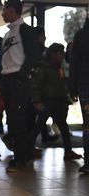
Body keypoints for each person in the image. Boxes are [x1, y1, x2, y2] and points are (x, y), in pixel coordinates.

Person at [0, 0, 41, 172]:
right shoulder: (9, 33)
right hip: (7, 79)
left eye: (4, 10)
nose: (2, 14)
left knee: (17, 120)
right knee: (12, 119)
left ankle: (20, 158)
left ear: (11, 10)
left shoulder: (25, 30)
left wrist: (22, 75)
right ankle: (24, 155)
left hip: (18, 80)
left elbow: (34, 54)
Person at [31, 43, 82, 160]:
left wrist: (65, 98)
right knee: (40, 126)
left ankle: (68, 152)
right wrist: (37, 101)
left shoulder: (57, 67)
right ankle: (28, 149)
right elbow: (36, 85)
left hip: (57, 101)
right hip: (48, 101)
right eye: (61, 52)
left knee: (62, 127)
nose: (63, 54)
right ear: (54, 54)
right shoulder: (44, 68)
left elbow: (61, 85)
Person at [69, 17, 89, 173]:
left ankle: (88, 162)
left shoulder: (81, 35)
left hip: (85, 85)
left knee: (88, 124)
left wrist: (73, 88)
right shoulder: (81, 36)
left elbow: (74, 62)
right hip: (85, 85)